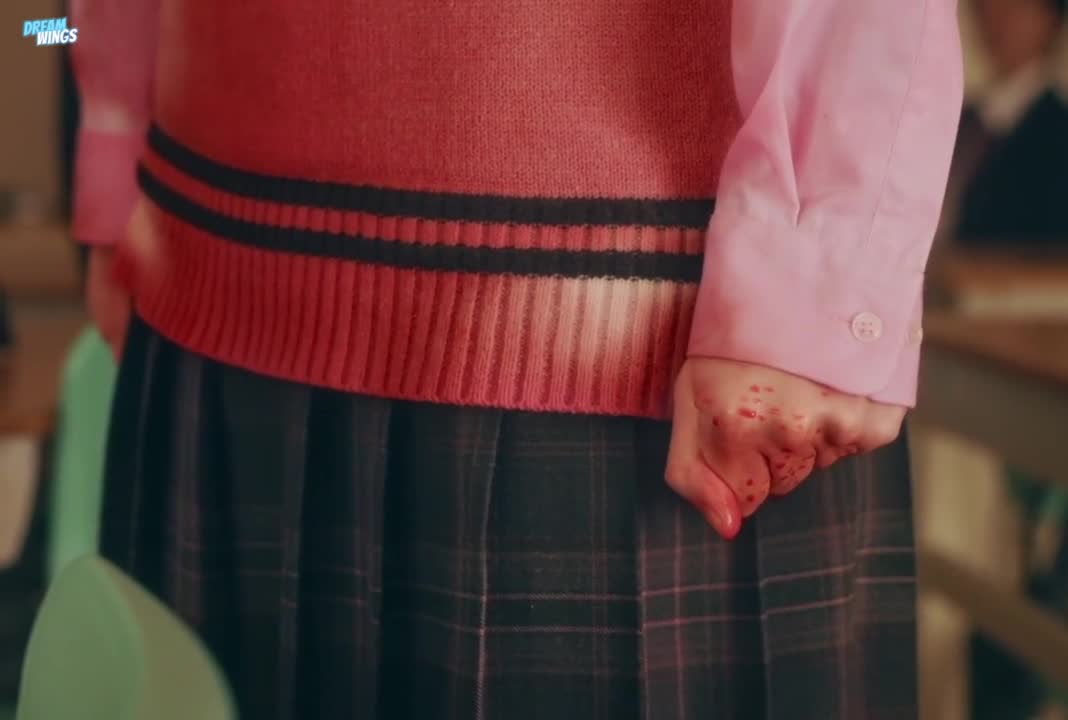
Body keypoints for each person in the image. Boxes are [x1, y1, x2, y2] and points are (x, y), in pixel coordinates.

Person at [70, 1, 962, 718]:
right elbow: (53, 26)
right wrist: (112, 116)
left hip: (625, 354)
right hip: (201, 284)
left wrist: (822, 251)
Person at [947, 0, 1068, 251]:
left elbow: (1066, 242)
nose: (997, 19)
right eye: (988, 5)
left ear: (1051, 18)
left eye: (1015, 6)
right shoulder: (965, 120)